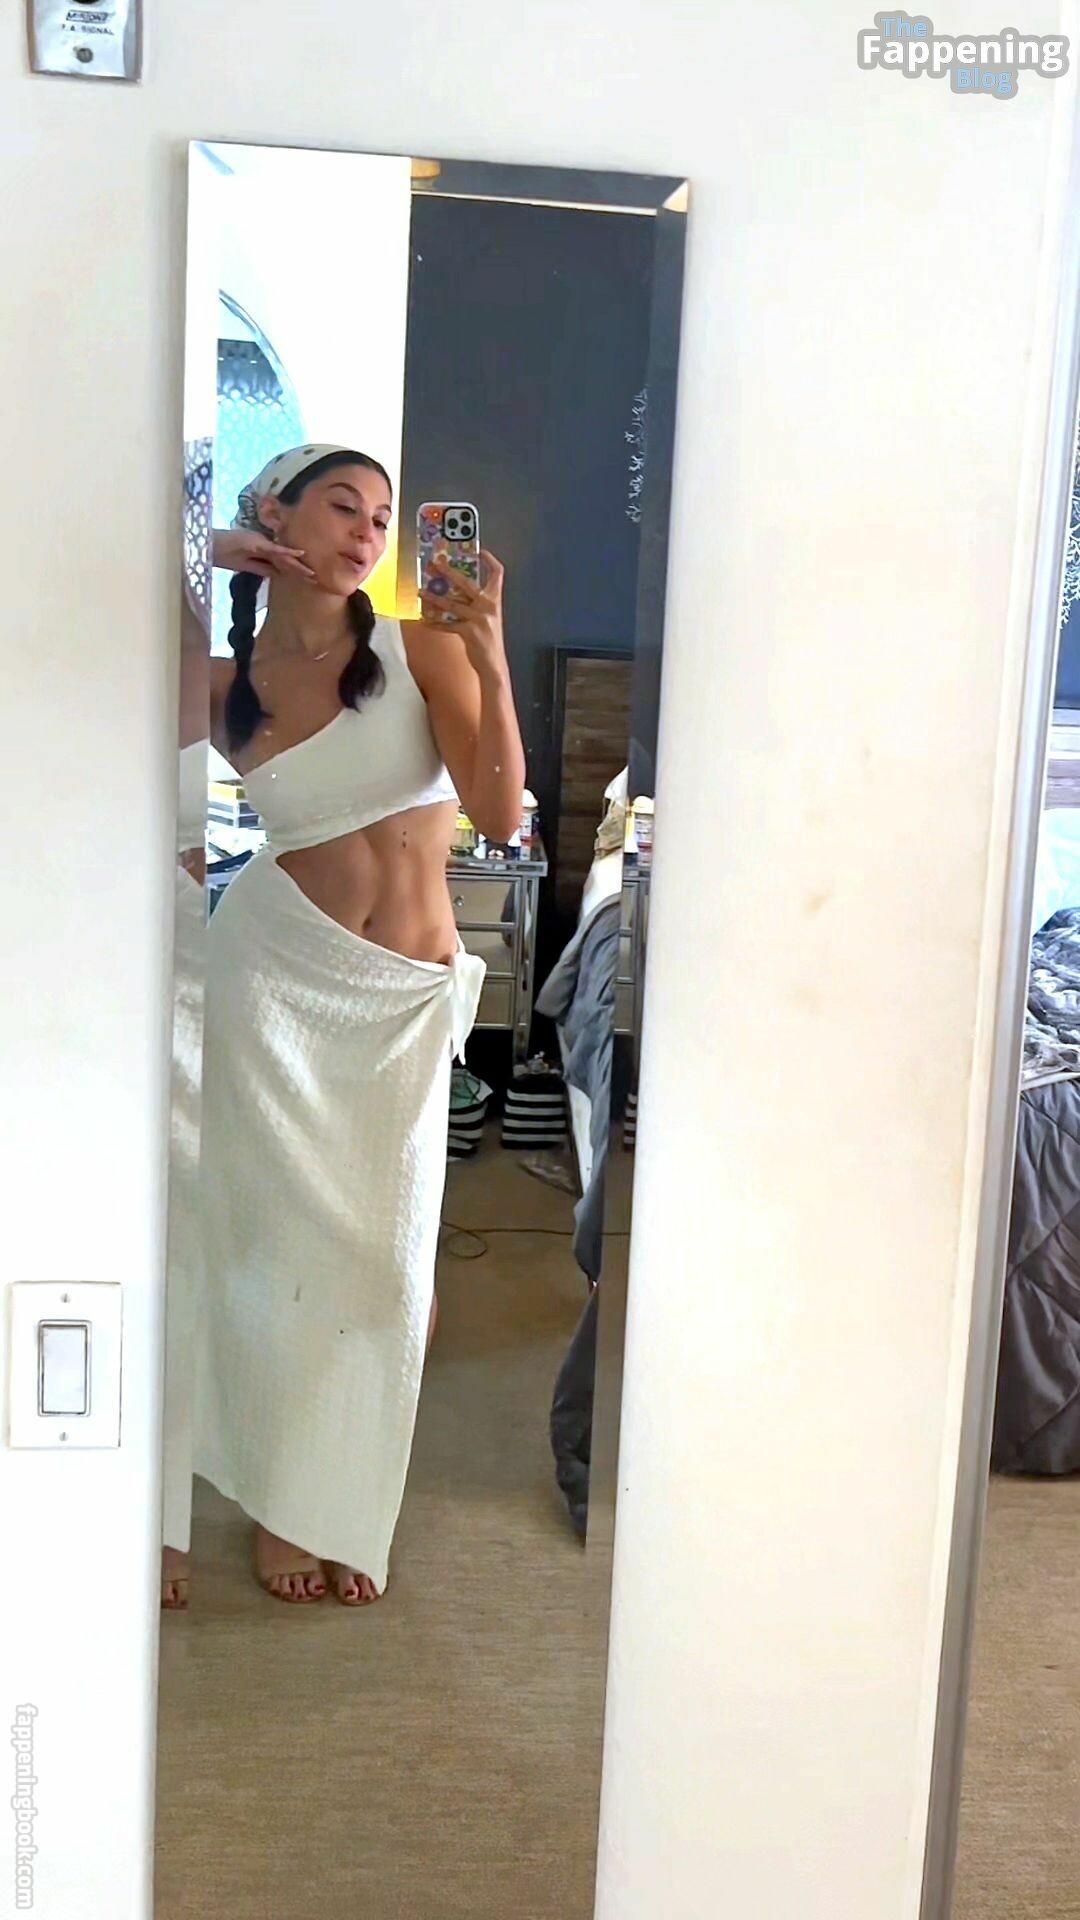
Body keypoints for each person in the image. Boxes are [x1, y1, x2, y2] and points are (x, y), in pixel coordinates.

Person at [194, 444, 524, 1607]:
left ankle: (347, 1493)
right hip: (276, 980)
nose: (369, 531)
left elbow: (497, 811)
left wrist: (489, 650)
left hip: (400, 1002)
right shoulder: (224, 681)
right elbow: (71, 615)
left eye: (383, 516)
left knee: (388, 1271)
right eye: (343, 506)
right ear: (274, 514)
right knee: (276, 1254)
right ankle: (287, 1505)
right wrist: (209, 550)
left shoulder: (419, 646)